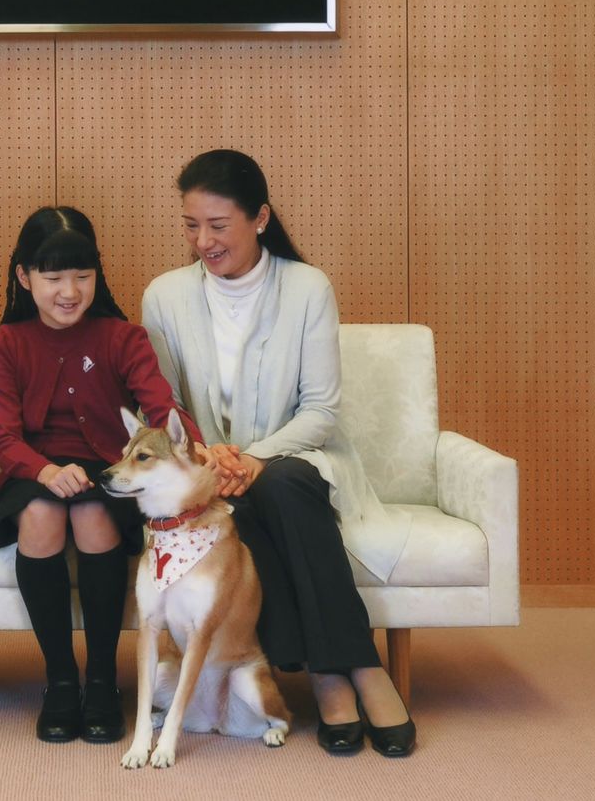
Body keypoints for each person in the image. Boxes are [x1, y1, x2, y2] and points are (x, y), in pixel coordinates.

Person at [140, 149, 418, 757]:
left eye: (219, 226)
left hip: (297, 459)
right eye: (191, 226)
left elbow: (320, 411)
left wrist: (253, 458)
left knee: (281, 486)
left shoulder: (306, 287)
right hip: (207, 474)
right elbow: (165, 408)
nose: (203, 241)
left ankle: (353, 669)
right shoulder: (165, 295)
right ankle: (331, 674)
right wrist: (216, 464)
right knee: (248, 507)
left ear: (260, 217)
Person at [0, 207, 204, 745]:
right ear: (24, 277)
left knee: (91, 515)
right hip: (34, 471)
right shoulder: (4, 344)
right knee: (39, 514)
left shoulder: (124, 338)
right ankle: (60, 680)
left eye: (82, 276)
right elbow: (3, 439)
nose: (69, 291)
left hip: (111, 473)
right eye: (53, 277)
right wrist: (44, 470)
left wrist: (194, 448)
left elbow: (161, 407)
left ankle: (103, 680)